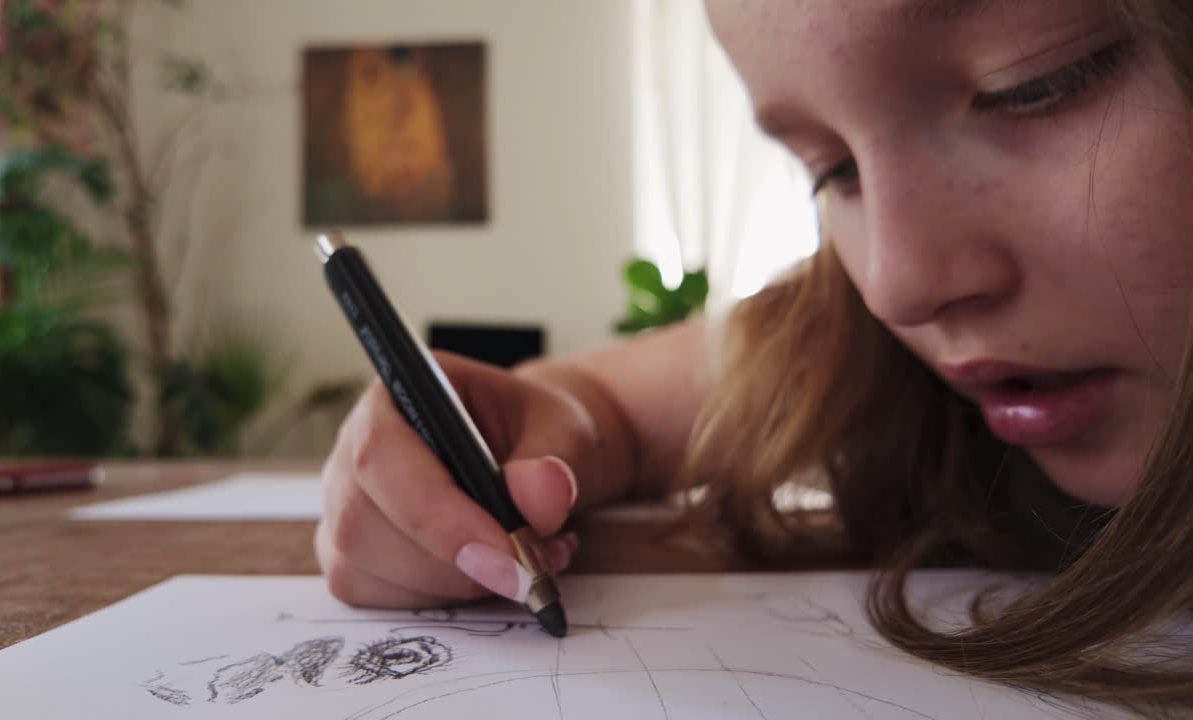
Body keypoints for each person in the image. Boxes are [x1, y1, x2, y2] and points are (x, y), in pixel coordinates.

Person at [315, 0, 1193, 707]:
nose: (895, 284)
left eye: (1030, 84)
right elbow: (600, 406)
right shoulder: (842, 337)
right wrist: (536, 433)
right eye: (832, 169)